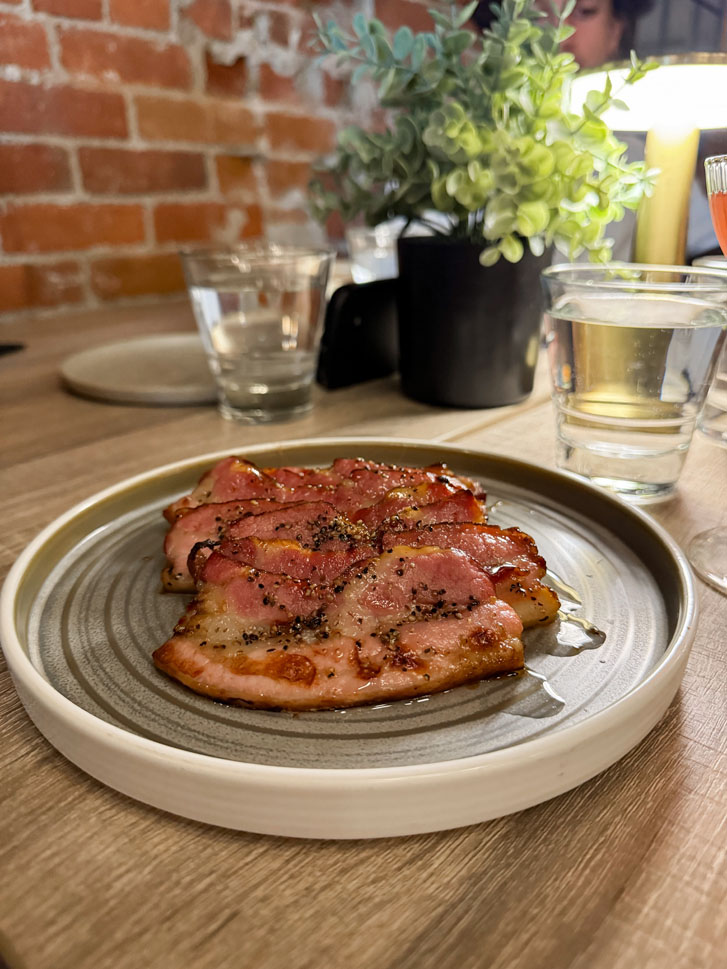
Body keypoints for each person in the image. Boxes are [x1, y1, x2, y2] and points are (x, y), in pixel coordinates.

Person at [472, 0, 719, 261]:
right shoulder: (474, 151)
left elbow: (710, 251)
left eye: (584, 12)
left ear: (615, 31)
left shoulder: (648, 158)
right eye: (541, 13)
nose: (560, 33)